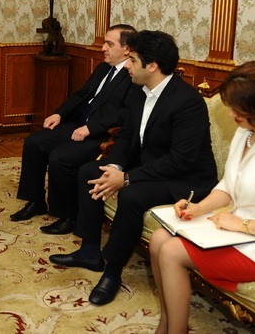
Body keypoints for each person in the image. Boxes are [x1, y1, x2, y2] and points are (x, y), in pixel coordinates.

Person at [49, 30, 218, 305]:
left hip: (186, 178)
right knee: (90, 172)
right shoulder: (140, 92)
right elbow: (127, 136)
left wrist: (126, 178)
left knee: (131, 195)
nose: (127, 65)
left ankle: (112, 271)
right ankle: (90, 251)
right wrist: (114, 166)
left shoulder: (187, 102)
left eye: (133, 60)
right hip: (152, 166)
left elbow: (180, 160)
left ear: (151, 66)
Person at [149, 60, 255, 334]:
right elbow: (229, 184)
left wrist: (241, 225)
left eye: (240, 107)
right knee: (158, 239)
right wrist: (199, 208)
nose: (232, 112)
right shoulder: (246, 133)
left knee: (172, 251)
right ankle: (167, 323)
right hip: (242, 231)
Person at [11, 24, 137, 231]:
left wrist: (91, 128)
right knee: (34, 142)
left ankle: (69, 215)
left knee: (60, 158)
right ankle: (36, 201)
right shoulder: (104, 68)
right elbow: (81, 94)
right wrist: (59, 114)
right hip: (79, 124)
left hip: (102, 134)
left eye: (109, 44)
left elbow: (125, 113)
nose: (103, 48)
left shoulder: (133, 74)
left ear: (127, 49)